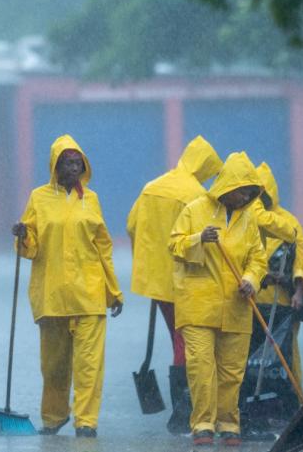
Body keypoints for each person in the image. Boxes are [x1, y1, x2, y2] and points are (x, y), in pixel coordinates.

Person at [12, 134, 123, 438]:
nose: (74, 168)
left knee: (89, 366)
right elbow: (30, 249)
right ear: (55, 166)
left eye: (79, 162)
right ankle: (54, 416)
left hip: (89, 295)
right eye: (68, 162)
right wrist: (23, 235)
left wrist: (113, 292)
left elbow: (103, 248)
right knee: (54, 367)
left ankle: (86, 421)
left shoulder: (92, 199)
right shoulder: (39, 198)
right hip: (52, 297)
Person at [169, 152, 267, 447]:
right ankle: (202, 424)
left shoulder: (248, 219)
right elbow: (174, 244)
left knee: (232, 371)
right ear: (228, 186)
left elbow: (258, 259)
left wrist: (250, 281)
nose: (245, 198)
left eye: (250, 194)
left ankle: (228, 424)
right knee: (200, 366)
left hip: (237, 306)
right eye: (242, 192)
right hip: (198, 304)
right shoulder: (195, 210)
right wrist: (199, 238)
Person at [126, 135, 223, 434]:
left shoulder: (151, 187)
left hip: (157, 281)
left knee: (177, 340)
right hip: (188, 280)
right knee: (190, 344)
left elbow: (132, 226)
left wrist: (149, 261)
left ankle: (188, 411)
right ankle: (185, 413)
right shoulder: (196, 195)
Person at [239, 162, 303, 438]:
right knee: (251, 359)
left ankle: (290, 402)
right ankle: (248, 406)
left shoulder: (287, 222)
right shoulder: (245, 221)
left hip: (281, 304)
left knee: (285, 356)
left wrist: (298, 290)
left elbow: (301, 258)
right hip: (253, 302)